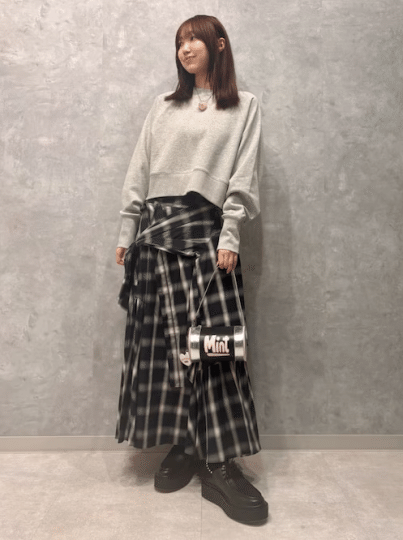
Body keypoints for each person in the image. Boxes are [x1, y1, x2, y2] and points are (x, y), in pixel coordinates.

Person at [115, 14, 268, 525]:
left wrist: (231, 232)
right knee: (167, 346)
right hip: (157, 234)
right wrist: (127, 231)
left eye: (194, 39)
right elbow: (139, 168)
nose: (185, 48)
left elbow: (243, 172)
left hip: (208, 232)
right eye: (180, 41)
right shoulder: (163, 106)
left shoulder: (243, 105)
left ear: (218, 45)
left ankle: (219, 461)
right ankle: (183, 442)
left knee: (215, 347)